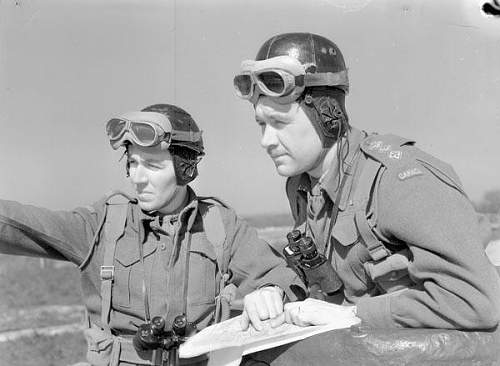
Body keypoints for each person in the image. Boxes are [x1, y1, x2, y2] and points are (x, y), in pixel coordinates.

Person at [0, 103, 304, 366]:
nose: (137, 177)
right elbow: (20, 224)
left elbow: (283, 278)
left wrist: (270, 292)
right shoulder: (103, 225)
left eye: (152, 165)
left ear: (185, 169)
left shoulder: (219, 225)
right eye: (132, 163)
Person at [234, 32, 500, 330]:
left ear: (327, 115)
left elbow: (477, 302)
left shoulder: (398, 179)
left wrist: (353, 315)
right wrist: (273, 290)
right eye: (261, 124)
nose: (266, 141)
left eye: (279, 123)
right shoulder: (301, 184)